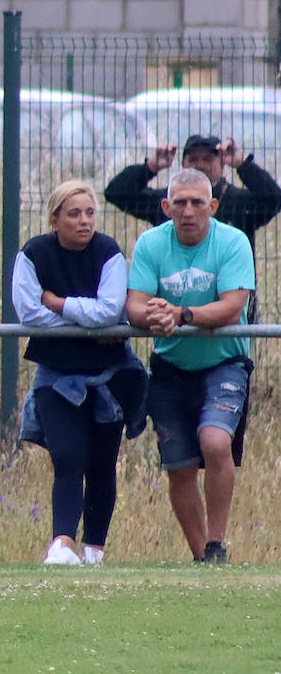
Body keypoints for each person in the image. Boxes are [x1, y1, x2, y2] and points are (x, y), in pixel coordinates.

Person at [12, 181, 147, 566]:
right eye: (74, 214)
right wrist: (86, 322)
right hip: (56, 375)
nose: (84, 221)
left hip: (111, 374)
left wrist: (58, 303)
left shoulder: (108, 252)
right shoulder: (33, 253)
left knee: (103, 463)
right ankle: (62, 545)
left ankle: (94, 550)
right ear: (55, 220)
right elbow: (29, 315)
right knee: (68, 458)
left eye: (89, 213)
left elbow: (109, 311)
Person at [126, 168, 254, 564]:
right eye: (179, 203)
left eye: (197, 202)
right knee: (179, 467)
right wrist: (155, 318)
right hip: (169, 366)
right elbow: (134, 305)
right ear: (165, 207)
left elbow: (233, 307)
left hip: (225, 362)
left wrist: (180, 315)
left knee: (215, 442)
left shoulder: (233, 242)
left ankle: (217, 542)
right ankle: (205, 562)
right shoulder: (150, 244)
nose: (188, 211)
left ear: (212, 206)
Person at [105, 133, 281, 259]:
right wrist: (151, 167)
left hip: (229, 301)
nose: (200, 165)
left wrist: (243, 165)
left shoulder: (238, 202)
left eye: (208, 159)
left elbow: (274, 199)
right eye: (193, 159)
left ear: (223, 164)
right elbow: (116, 193)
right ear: (183, 164)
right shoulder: (169, 201)